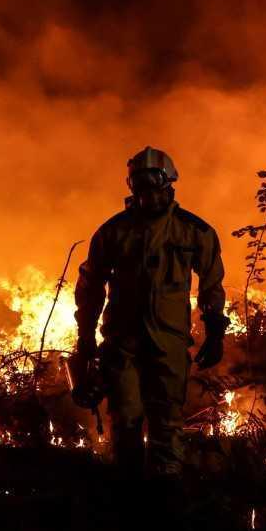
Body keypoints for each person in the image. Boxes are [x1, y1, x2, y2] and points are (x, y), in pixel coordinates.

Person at [72, 146, 227, 481]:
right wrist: (85, 337)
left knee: (167, 424)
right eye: (139, 185)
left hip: (168, 344)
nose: (147, 193)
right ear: (131, 186)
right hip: (123, 344)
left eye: (153, 183)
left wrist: (215, 328)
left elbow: (212, 284)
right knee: (125, 421)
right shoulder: (113, 233)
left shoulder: (193, 231)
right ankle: (128, 499)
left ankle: (165, 502)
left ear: (168, 182)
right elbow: (91, 285)